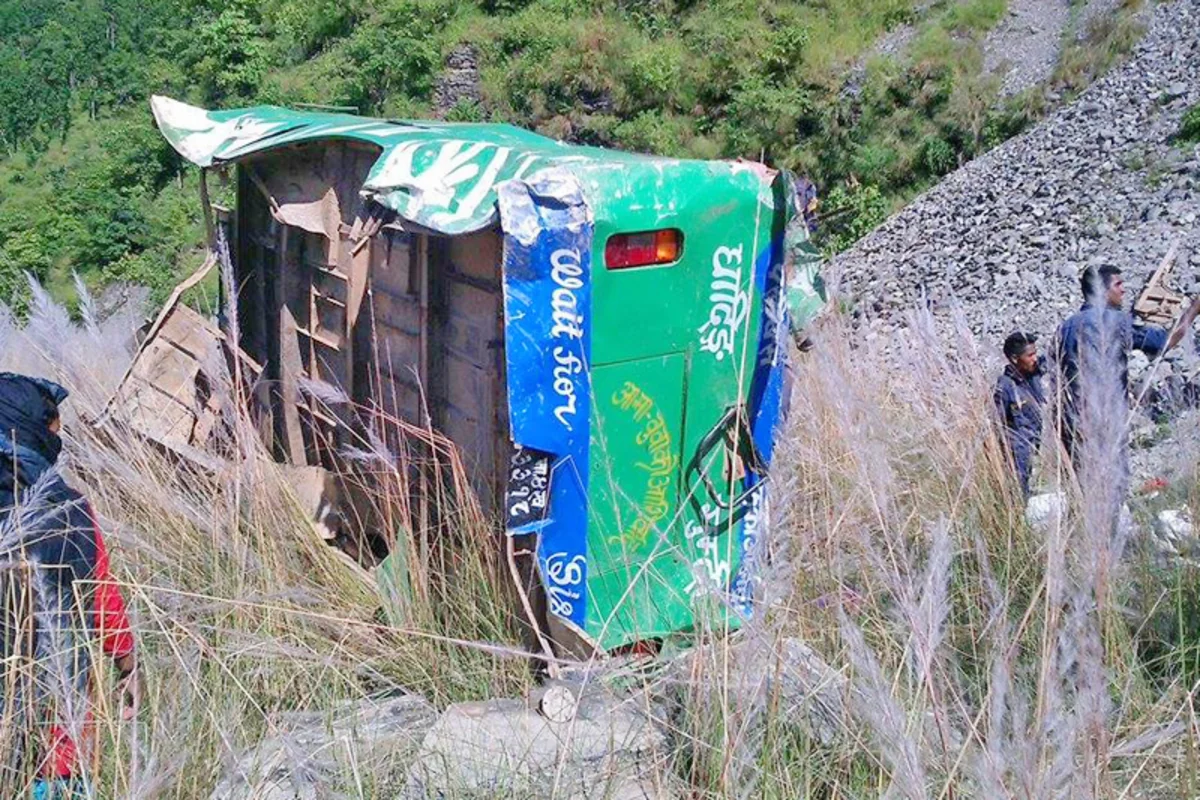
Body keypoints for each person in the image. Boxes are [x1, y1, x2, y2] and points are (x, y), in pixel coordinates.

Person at [0, 373, 138, 797]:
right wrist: (128, 666)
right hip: (55, 738)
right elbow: (101, 599)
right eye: (52, 426)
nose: (57, 436)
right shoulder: (70, 508)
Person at [1054, 264, 1200, 485]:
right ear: (1101, 290)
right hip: (1106, 418)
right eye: (1118, 284)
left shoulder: (1066, 327)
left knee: (1083, 487)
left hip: (1074, 421)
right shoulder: (1114, 321)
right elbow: (1165, 341)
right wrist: (1194, 309)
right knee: (1112, 487)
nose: (1123, 290)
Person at [993, 332, 1046, 497]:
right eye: (1030, 355)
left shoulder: (1032, 377)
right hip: (1016, 457)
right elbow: (994, 425)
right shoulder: (1005, 387)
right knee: (1017, 496)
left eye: (1035, 353)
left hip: (1031, 451)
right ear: (1015, 359)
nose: (1035, 359)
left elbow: (1054, 357)